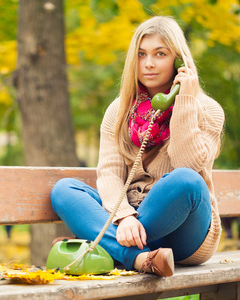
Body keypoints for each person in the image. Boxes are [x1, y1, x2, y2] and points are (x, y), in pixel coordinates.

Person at [51, 16, 225, 277]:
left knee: (187, 180)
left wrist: (185, 100)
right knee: (64, 190)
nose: (149, 63)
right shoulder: (118, 111)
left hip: (185, 234)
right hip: (129, 220)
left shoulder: (208, 110)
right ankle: (140, 259)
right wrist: (124, 216)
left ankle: (103, 245)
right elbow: (109, 174)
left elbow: (186, 163)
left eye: (160, 54)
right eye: (141, 54)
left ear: (179, 60)